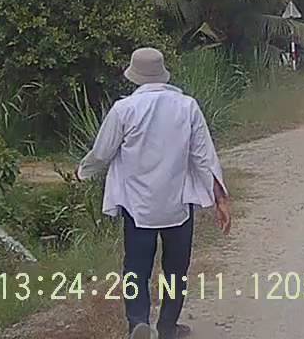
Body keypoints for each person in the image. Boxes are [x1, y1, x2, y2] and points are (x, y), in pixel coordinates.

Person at [78, 47, 233, 339]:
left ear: (134, 76)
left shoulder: (124, 109)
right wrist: (220, 199)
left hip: (137, 207)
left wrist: (83, 172)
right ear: (162, 73)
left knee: (136, 267)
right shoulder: (187, 106)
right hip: (177, 204)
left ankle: (138, 322)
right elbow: (204, 157)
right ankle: (168, 326)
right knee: (176, 269)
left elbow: (102, 152)